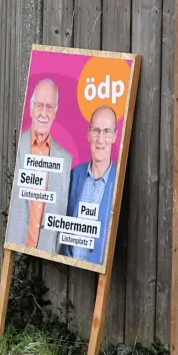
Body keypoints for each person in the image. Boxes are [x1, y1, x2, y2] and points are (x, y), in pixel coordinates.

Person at [5, 78, 71, 251]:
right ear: (31, 107)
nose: (43, 113)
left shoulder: (65, 159)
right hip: (17, 248)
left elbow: (62, 210)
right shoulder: (17, 146)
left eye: (49, 107)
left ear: (55, 111)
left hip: (48, 252)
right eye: (39, 105)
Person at [62, 105, 119, 264]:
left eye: (107, 131)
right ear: (88, 134)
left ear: (115, 136)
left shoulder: (119, 182)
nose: (100, 139)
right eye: (96, 131)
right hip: (68, 269)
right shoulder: (74, 175)